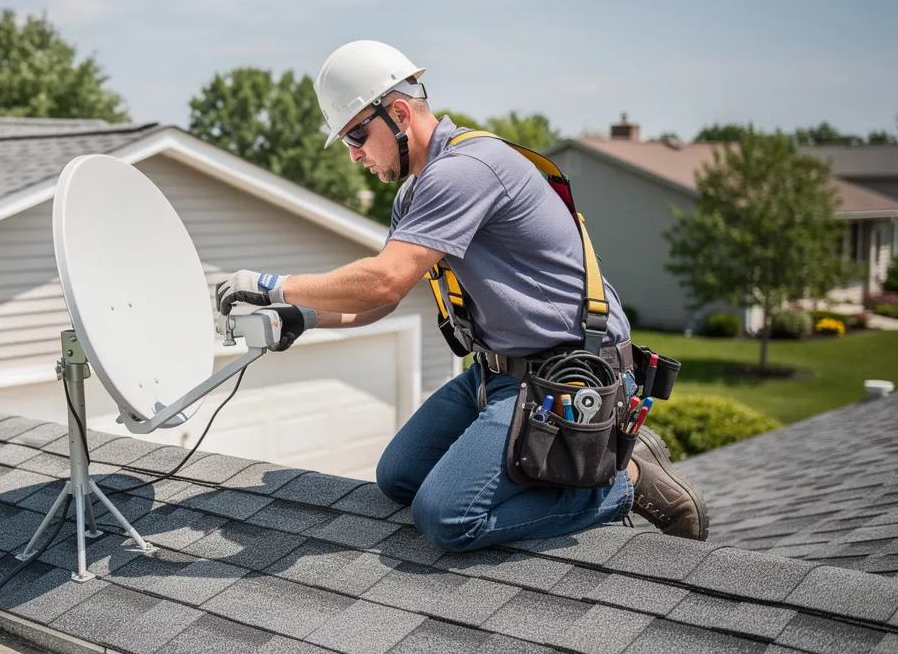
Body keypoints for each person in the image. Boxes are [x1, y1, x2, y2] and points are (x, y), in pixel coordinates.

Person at [214, 40, 708, 551]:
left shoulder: (466, 169)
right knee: (399, 477)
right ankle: (569, 462)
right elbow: (383, 299)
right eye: (346, 140)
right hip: (498, 372)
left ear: (399, 114)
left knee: (447, 518)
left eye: (357, 133)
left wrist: (271, 284)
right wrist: (305, 316)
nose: (354, 152)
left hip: (569, 371)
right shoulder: (414, 191)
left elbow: (384, 279)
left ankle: (624, 479)